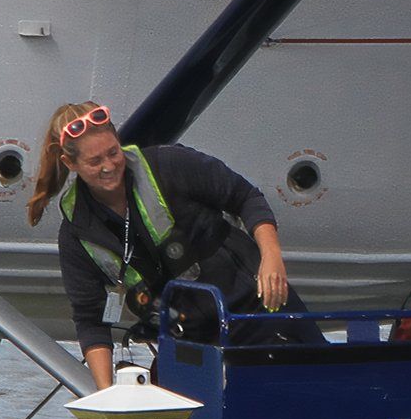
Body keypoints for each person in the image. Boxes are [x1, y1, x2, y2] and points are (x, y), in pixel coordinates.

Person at [34, 100, 290, 383]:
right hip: (188, 336)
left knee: (305, 388)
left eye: (113, 153)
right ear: (70, 164)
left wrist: (272, 257)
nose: (109, 166)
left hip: (256, 309)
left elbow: (246, 197)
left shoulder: (169, 164)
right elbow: (90, 320)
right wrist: (107, 396)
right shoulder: (75, 234)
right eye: (95, 161)